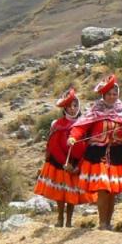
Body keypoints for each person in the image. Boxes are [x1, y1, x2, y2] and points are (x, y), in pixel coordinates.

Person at [68, 75, 122, 231]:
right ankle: (102, 223)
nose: (112, 97)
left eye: (115, 94)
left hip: (117, 153)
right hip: (97, 153)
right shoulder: (95, 110)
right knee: (102, 188)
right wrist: (73, 137)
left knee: (112, 190)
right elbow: (80, 126)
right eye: (109, 94)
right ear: (103, 95)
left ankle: (108, 222)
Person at [34, 88, 94, 227]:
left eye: (75, 105)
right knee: (61, 192)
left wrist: (79, 165)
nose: (73, 109)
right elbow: (54, 146)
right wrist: (64, 163)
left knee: (72, 192)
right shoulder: (57, 124)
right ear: (64, 109)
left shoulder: (85, 124)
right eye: (69, 106)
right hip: (60, 163)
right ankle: (60, 217)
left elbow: (89, 146)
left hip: (76, 163)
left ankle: (69, 221)